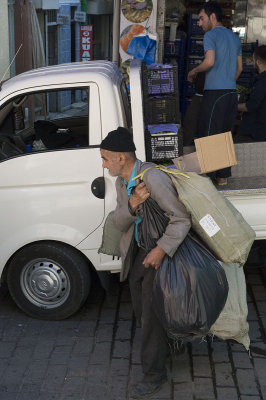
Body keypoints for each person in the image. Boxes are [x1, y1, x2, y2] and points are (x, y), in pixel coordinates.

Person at [100, 127, 191, 399]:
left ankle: (154, 374)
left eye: (105, 158)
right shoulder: (122, 183)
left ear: (121, 158)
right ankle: (171, 342)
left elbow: (181, 218)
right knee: (140, 302)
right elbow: (118, 222)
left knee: (150, 312)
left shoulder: (152, 178)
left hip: (162, 249)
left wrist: (162, 250)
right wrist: (132, 204)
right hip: (141, 249)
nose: (103, 164)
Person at [188, 1, 243, 185]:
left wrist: (194, 71)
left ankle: (210, 183)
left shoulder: (210, 35)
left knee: (209, 136)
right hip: (230, 93)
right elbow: (240, 68)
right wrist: (228, 80)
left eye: (202, 19)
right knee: (224, 135)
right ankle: (222, 178)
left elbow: (209, 61)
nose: (199, 23)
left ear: (212, 16)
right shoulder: (234, 37)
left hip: (215, 94)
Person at [235, 45, 266, 142]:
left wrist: (233, 106)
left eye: (253, 59)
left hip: (254, 131)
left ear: (258, 62)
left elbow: (250, 106)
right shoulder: (260, 80)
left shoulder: (262, 81)